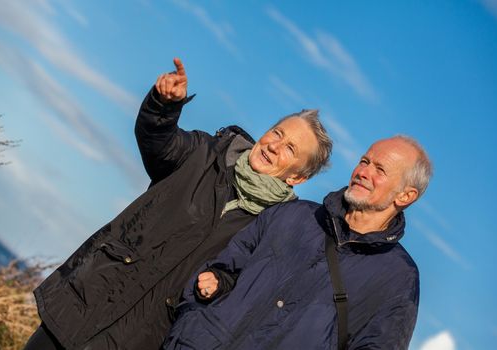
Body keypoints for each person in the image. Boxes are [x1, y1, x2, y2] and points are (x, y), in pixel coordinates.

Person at [25, 58, 333, 350]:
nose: (274, 145)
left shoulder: (276, 227)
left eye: (290, 149)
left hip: (143, 337)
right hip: (87, 302)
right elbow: (159, 143)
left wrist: (220, 283)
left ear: (298, 178)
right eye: (277, 133)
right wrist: (163, 106)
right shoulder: (206, 152)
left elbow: (242, 286)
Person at [164, 135, 432, 350]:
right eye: (364, 161)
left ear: (406, 196)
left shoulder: (399, 277)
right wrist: (198, 313)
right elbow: (222, 267)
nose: (363, 172)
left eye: (380, 170)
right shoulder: (293, 214)